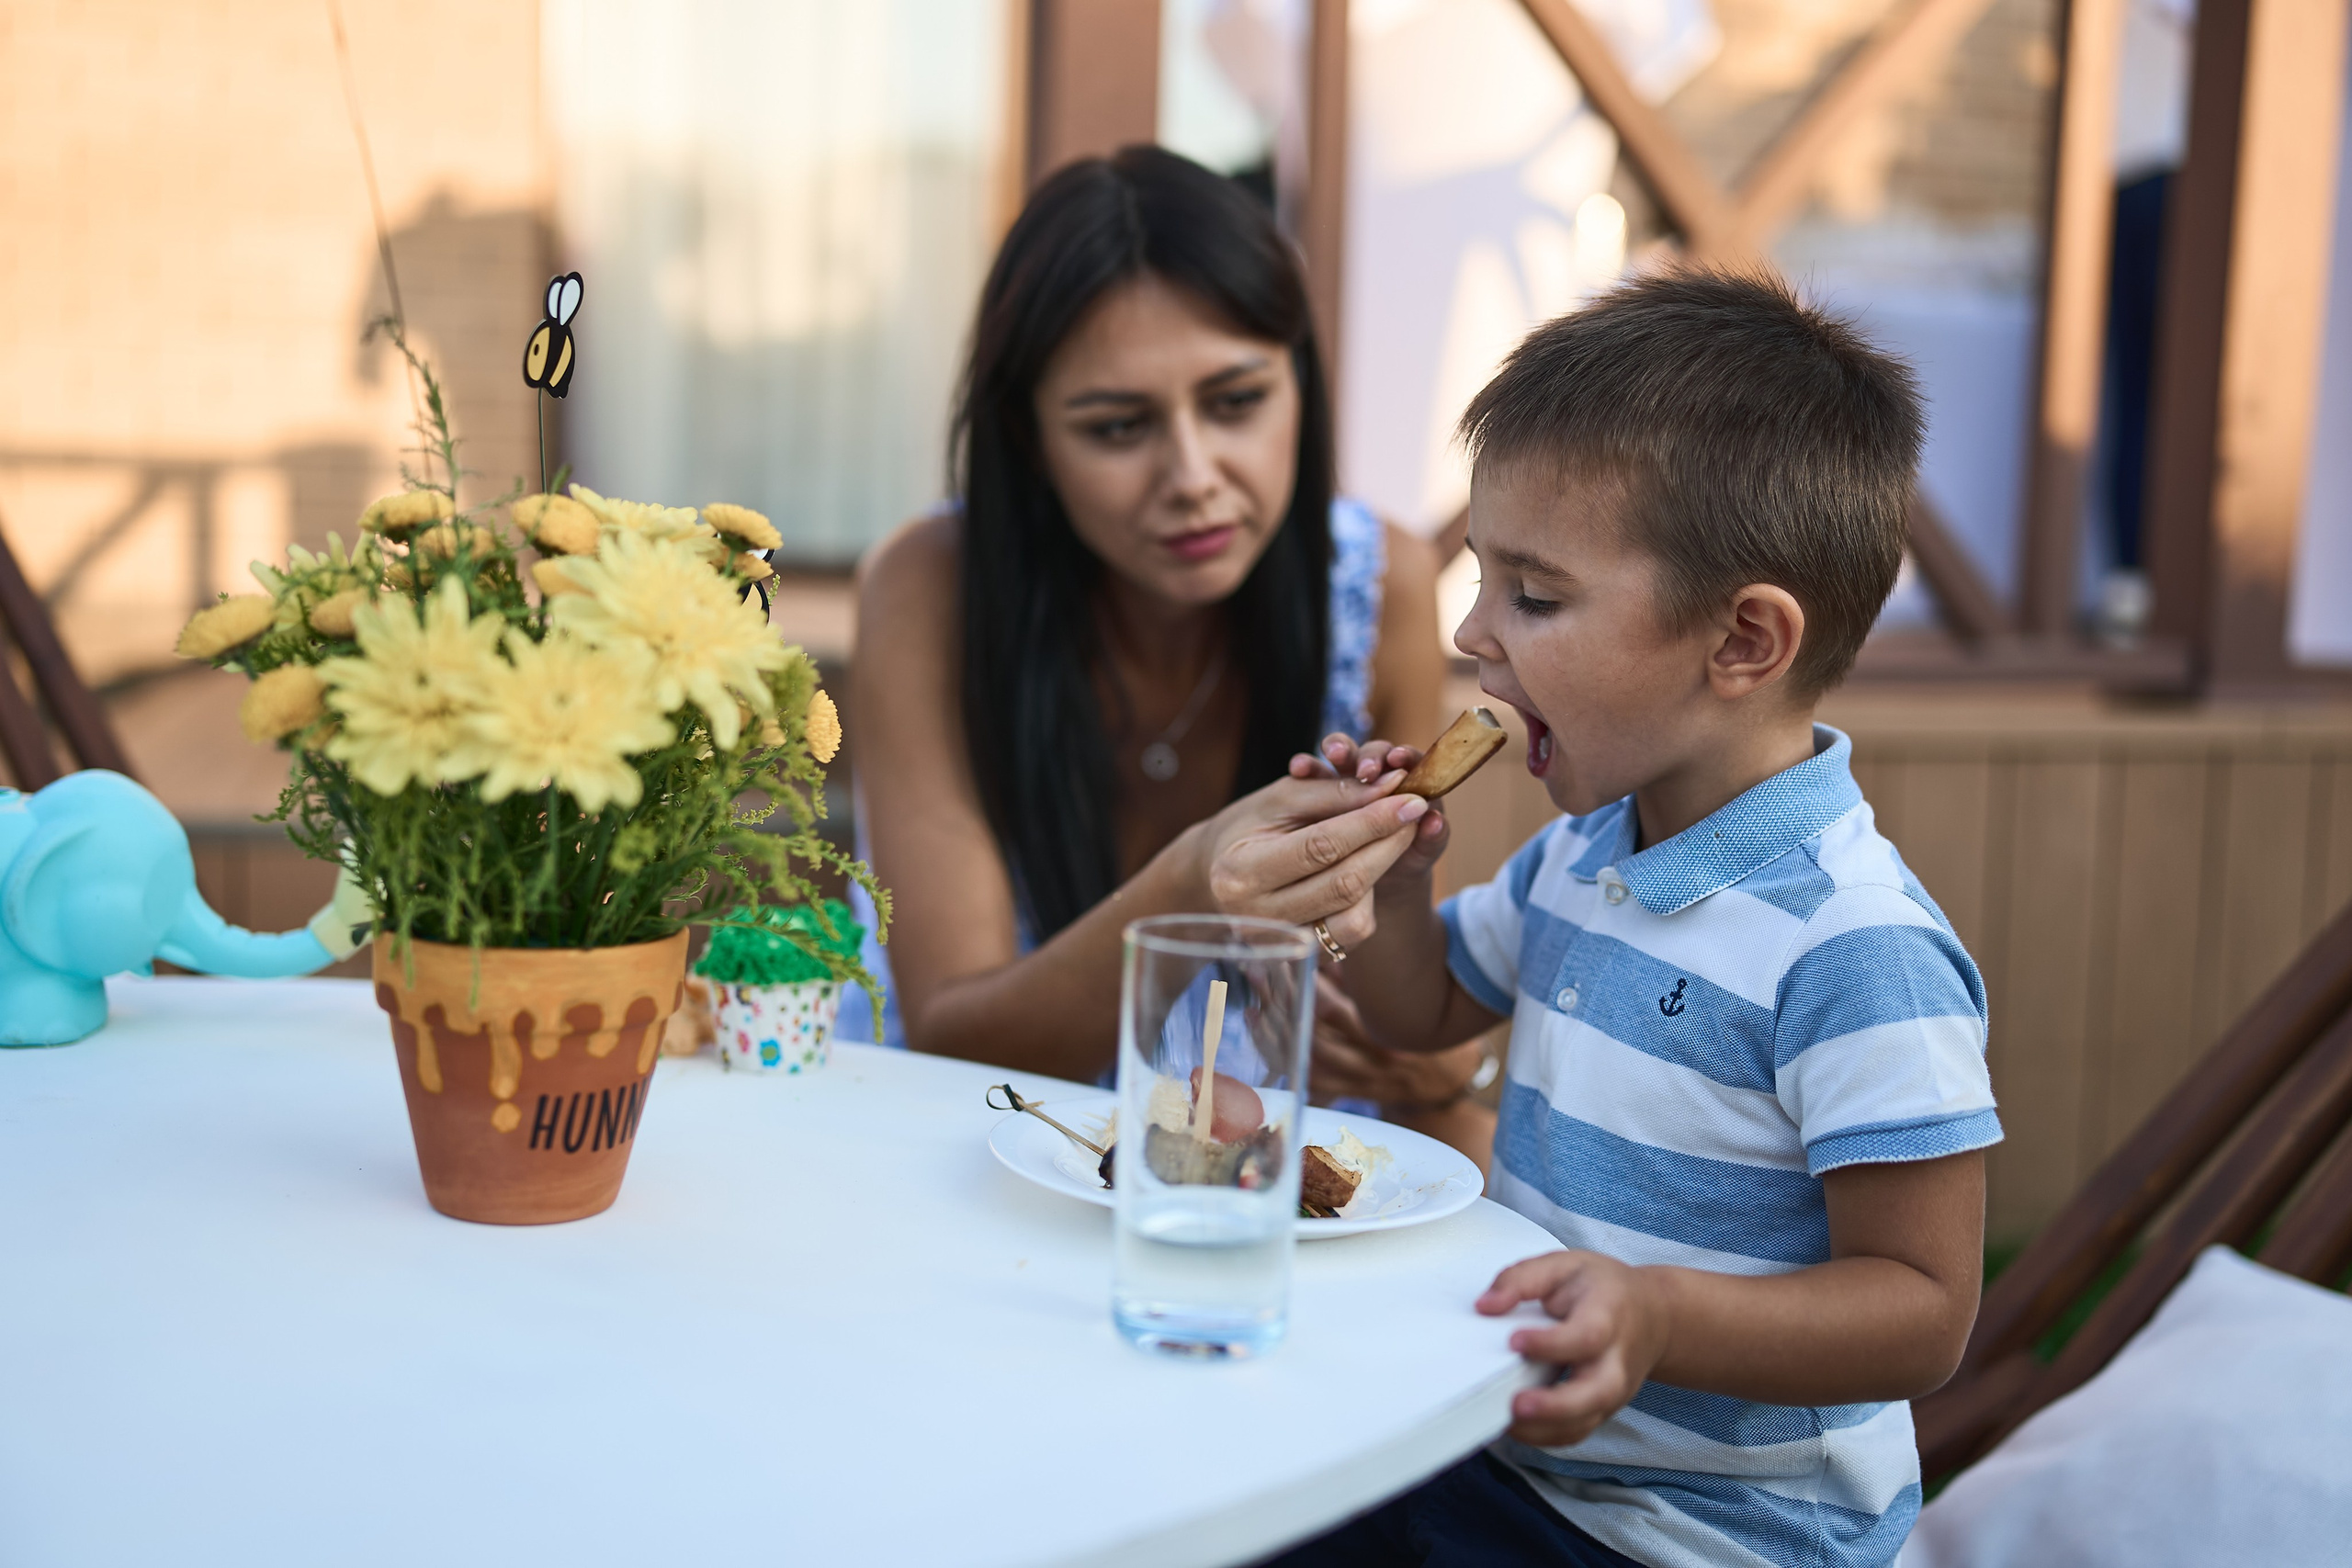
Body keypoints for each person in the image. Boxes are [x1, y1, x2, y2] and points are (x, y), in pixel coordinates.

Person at [1267, 268, 1999, 1568]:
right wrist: (1392, 883)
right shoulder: (1587, 850)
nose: (1476, 633)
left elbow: (1924, 1308)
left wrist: (1659, 1314)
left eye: (1534, 596)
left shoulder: (1854, 946)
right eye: (1482, 579)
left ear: (1744, 641)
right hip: (1513, 1458)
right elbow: (1427, 1010)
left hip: (1720, 1534)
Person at [841, 145, 1497, 1156]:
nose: (1192, 475)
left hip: (1262, 1167)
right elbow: (952, 1033)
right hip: (979, 1145)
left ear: (1301, 387)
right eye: (1117, 428)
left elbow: (1410, 1004)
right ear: (1028, 440)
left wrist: (1423, 1051)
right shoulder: (931, 586)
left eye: (1237, 403)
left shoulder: (1382, 584)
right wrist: (1196, 882)